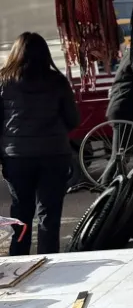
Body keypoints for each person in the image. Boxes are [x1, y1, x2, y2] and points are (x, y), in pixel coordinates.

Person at [0, 32, 81, 255]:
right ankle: (48, 258)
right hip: (54, 154)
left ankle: (19, 259)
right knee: (49, 213)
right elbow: (73, 119)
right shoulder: (57, 81)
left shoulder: (3, 81)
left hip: (16, 157)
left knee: (21, 211)